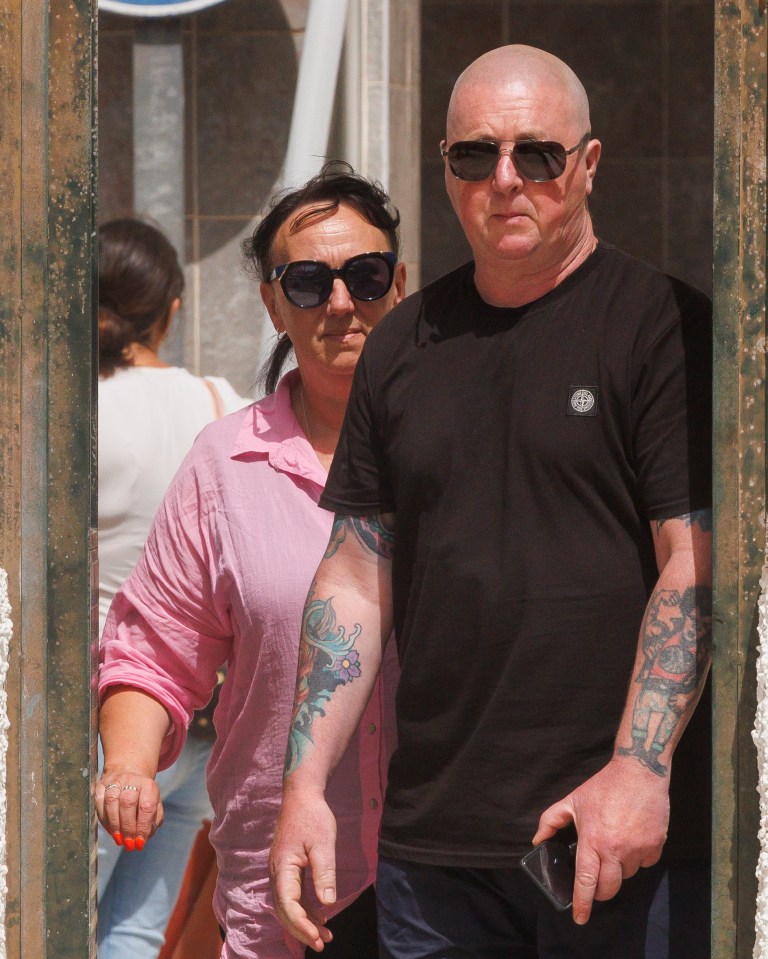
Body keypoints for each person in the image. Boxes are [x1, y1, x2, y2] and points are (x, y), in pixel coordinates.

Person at [269, 45, 713, 959]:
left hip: (610, 846)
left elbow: (695, 560)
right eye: (476, 155)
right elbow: (357, 573)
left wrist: (639, 767)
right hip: (435, 856)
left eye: (538, 155)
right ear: (446, 169)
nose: (506, 180)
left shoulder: (661, 324)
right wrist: (304, 784)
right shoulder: (401, 347)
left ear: (587, 165)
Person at [96, 167, 406, 959]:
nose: (340, 302)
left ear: (398, 283)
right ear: (274, 303)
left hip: (443, 889)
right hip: (281, 894)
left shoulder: (463, 443)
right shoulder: (225, 464)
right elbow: (156, 648)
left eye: (364, 276)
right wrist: (129, 765)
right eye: (307, 282)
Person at [97, 217, 250, 959]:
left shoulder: (76, 413)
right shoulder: (218, 401)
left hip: (106, 718)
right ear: (172, 309)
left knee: (62, 919)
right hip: (198, 712)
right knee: (136, 928)